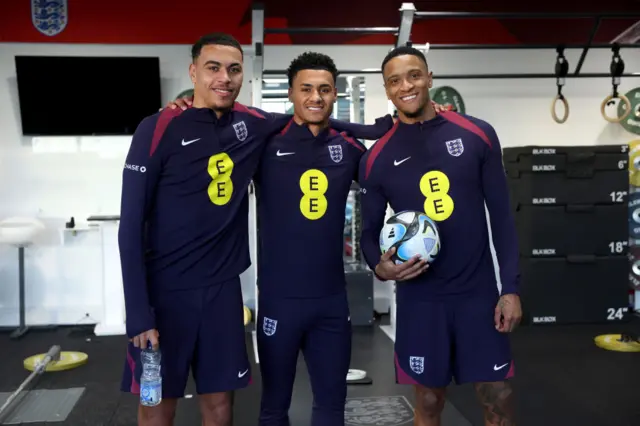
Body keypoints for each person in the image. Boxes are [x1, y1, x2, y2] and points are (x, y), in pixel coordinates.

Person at [119, 33, 397, 426]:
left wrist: (379, 128)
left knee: (220, 408)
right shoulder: (157, 127)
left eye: (233, 70)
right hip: (166, 295)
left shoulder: (251, 125)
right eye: (213, 68)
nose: (224, 78)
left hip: (222, 293)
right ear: (193, 71)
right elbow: (129, 227)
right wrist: (137, 314)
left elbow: (307, 115)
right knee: (155, 407)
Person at [358, 45, 522, 426]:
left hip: (477, 294)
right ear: (387, 90)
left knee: (499, 395)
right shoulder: (376, 157)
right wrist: (379, 268)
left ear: (430, 78)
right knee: (429, 401)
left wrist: (510, 288)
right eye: (395, 81)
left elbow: (501, 217)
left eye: (414, 75)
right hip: (421, 299)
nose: (406, 86)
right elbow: (368, 232)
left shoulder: (477, 134)